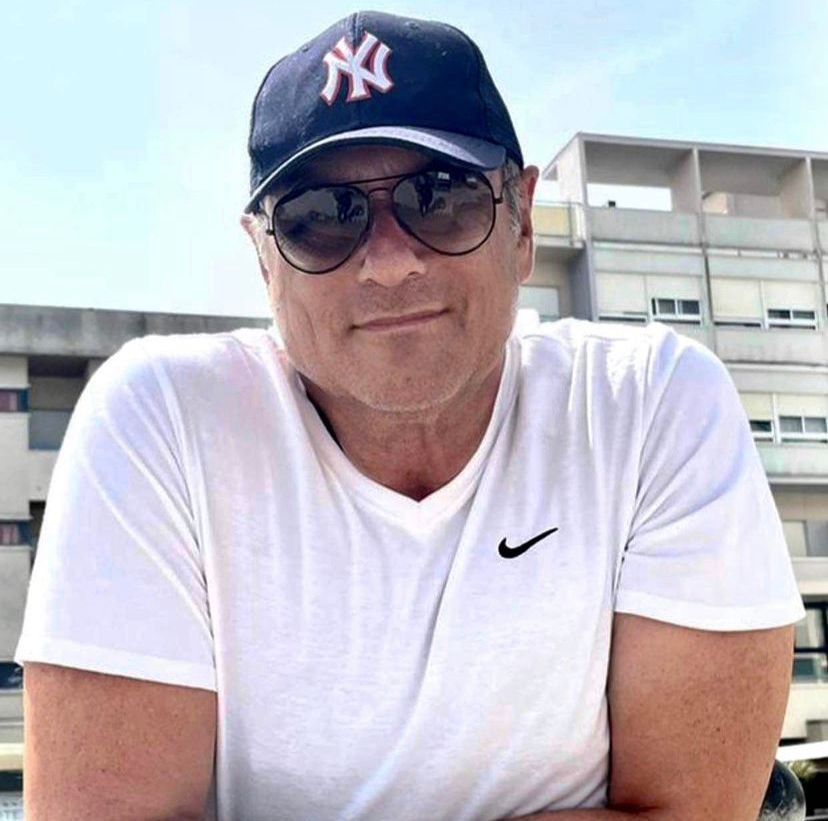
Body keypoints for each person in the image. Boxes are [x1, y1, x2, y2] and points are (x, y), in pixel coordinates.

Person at [15, 11, 805, 821]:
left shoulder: (649, 407)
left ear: (523, 221)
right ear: (262, 256)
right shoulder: (163, 425)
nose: (390, 262)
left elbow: (690, 812)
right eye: (322, 215)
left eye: (440, 196)